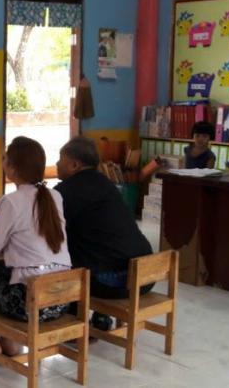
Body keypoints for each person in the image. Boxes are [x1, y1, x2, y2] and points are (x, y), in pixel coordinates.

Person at [0, 136, 72, 362]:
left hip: (30, 303)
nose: (2, 162)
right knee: (8, 274)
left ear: (12, 168)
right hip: (61, 298)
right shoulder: (55, 196)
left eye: (5, 159)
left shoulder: (11, 201)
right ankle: (9, 342)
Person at [54, 137, 153, 331]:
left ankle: (74, 326)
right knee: (93, 244)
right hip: (146, 276)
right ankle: (100, 317)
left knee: (61, 261)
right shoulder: (107, 184)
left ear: (74, 165)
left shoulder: (64, 192)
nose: (57, 164)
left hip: (117, 283)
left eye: (60, 158)